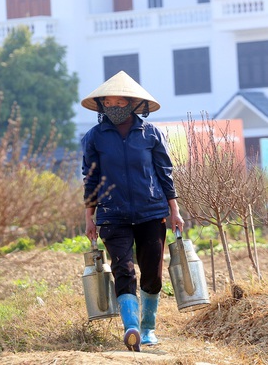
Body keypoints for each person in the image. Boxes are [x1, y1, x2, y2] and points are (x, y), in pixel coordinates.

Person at [81, 70, 184, 352]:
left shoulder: (151, 134)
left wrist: (174, 210)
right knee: (123, 269)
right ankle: (132, 328)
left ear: (132, 104)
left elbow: (165, 173)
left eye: (119, 102)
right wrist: (89, 216)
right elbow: (90, 178)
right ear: (102, 106)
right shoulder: (94, 138)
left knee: (152, 274)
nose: (114, 107)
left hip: (151, 212)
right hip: (112, 215)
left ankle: (148, 326)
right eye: (109, 103)